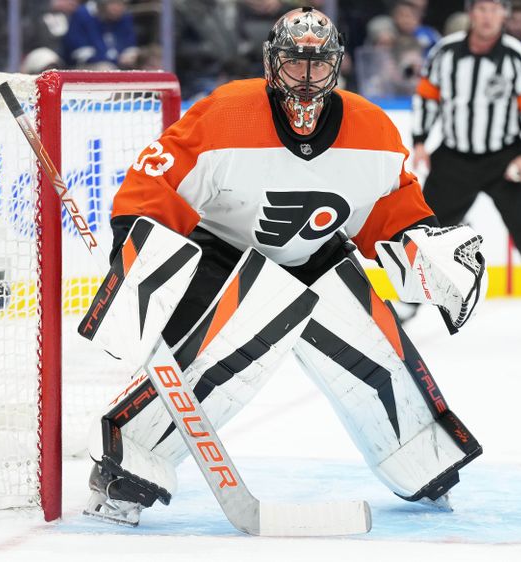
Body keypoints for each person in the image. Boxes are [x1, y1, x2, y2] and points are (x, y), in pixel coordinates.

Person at [83, 7, 485, 527]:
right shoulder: (225, 113)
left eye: (319, 65)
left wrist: (425, 249)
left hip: (317, 257)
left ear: (336, 65)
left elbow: (391, 210)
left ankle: (421, 462)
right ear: (273, 63)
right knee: (206, 366)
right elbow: (157, 181)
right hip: (226, 255)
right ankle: (127, 471)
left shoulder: (372, 129)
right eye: (295, 63)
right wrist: (133, 248)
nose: (307, 76)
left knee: (380, 350)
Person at [412, 0, 521, 331]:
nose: (487, 16)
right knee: (425, 231)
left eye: (495, 9)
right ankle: (409, 301)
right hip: (454, 157)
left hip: (503, 160)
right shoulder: (445, 52)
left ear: (504, 15)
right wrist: (420, 140)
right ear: (471, 13)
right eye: (481, 9)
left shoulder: (517, 56)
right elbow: (426, 97)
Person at [63, 0, 138, 68]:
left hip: (119, 62)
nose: (118, 8)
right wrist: (114, 60)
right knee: (105, 69)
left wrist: (129, 56)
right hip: (88, 65)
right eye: (113, 3)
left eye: (122, 4)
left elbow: (130, 43)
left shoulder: (124, 16)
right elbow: (81, 52)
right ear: (101, 4)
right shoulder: (82, 15)